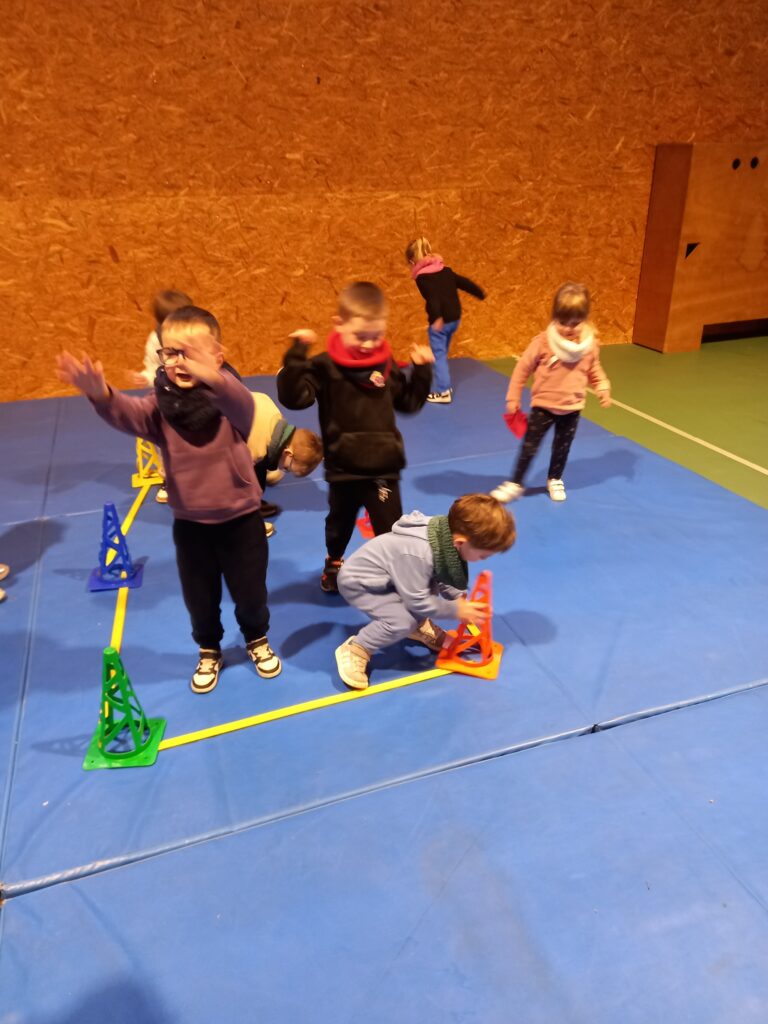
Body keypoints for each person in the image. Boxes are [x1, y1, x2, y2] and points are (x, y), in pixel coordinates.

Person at [56, 305, 281, 694]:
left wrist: (210, 374)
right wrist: (101, 395)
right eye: (171, 353)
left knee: (251, 592)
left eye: (189, 353)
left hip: (241, 521)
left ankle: (256, 638)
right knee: (199, 597)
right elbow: (129, 414)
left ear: (218, 357)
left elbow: (239, 401)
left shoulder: (232, 399)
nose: (178, 362)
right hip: (191, 525)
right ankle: (209, 649)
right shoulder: (161, 404)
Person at [277, 280, 434, 593]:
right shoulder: (324, 366)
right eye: (360, 335)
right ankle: (334, 563)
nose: (368, 344)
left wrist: (422, 373)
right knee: (339, 524)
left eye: (376, 336)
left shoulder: (385, 365)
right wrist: (296, 356)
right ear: (339, 324)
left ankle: (394, 574)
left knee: (390, 528)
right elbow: (295, 398)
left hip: (383, 468)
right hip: (344, 468)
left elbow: (408, 404)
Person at [334, 493, 516, 689]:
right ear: (461, 543)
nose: (483, 560)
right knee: (401, 622)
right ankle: (357, 647)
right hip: (361, 583)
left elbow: (442, 573)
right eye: (483, 556)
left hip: (392, 578)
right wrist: (457, 609)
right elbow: (417, 601)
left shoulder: (445, 535)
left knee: (428, 587)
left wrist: (458, 598)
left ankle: (418, 627)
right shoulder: (420, 553)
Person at [491, 282, 612, 504]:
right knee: (530, 446)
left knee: (562, 448)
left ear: (585, 320)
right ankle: (515, 482)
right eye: (563, 322)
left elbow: (594, 369)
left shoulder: (589, 347)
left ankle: (554, 478)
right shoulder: (543, 343)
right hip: (543, 406)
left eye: (575, 323)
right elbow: (522, 369)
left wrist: (602, 386)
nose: (568, 328)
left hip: (572, 408)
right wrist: (513, 397)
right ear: (555, 318)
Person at [405, 236, 485, 404]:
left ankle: (443, 391)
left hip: (441, 321)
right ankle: (441, 372)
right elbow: (464, 282)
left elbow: (432, 298)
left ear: (412, 262)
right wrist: (479, 293)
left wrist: (436, 318)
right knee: (441, 352)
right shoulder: (446, 270)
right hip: (455, 318)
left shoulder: (422, 278)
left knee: (439, 355)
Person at [133, 289, 194, 503]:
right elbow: (152, 367)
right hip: (168, 396)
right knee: (166, 439)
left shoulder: (195, 334)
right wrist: (145, 377)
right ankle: (169, 479)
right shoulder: (155, 341)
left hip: (193, 393)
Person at [245, 390, 324, 526]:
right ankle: (246, 513)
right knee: (243, 481)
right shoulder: (256, 451)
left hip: (244, 403)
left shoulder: (276, 416)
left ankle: (253, 503)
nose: (282, 470)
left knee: (262, 465)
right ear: (288, 453)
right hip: (215, 430)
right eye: (287, 468)